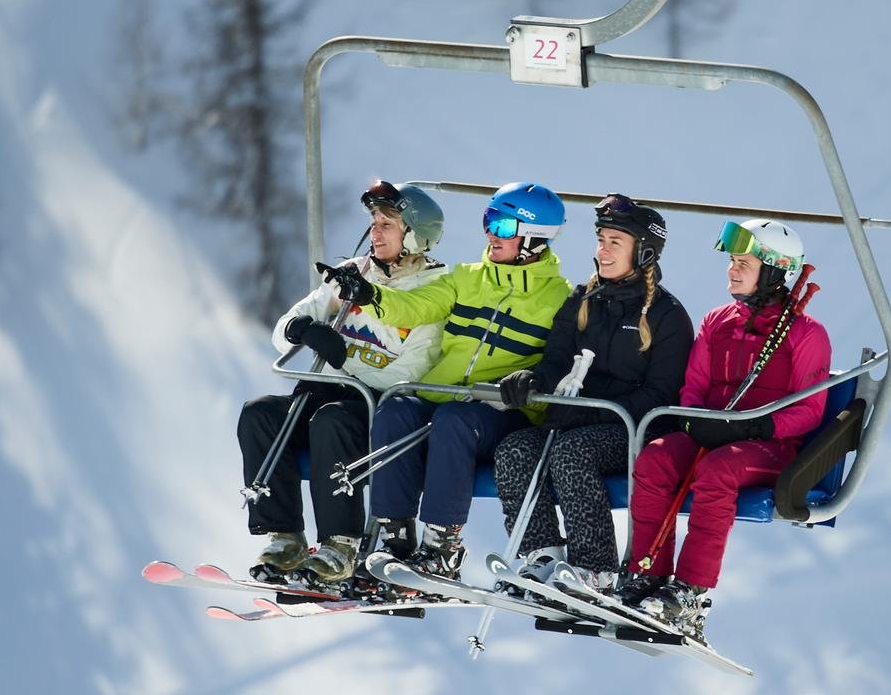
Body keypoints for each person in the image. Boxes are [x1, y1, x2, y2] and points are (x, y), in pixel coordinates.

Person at [324, 181, 571, 582]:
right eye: (489, 221)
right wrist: (370, 295)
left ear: (534, 240)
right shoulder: (466, 278)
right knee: (396, 409)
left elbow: (562, 359)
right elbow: (415, 306)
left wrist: (534, 379)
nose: (492, 233)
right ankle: (395, 539)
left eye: (505, 227)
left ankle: (442, 547)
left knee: (455, 420)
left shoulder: (560, 298)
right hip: (443, 395)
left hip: (501, 409)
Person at [622, 217, 830, 640]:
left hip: (770, 447)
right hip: (712, 435)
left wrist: (753, 428)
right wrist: (695, 420)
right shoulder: (717, 320)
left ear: (774, 273)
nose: (732, 270)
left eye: (744, 263)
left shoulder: (806, 334)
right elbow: (694, 386)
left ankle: (690, 592)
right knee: (657, 457)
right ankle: (646, 576)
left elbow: (808, 410)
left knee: (719, 470)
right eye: (732, 261)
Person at [237, 180, 447, 587]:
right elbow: (282, 331)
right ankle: (285, 537)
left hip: (374, 406)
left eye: (388, 222)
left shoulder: (433, 292)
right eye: (374, 220)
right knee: (259, 415)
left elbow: (408, 374)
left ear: (416, 235)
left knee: (330, 420)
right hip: (323, 393)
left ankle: (340, 545)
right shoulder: (352, 275)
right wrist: (302, 329)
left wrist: (343, 356)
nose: (376, 230)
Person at [489, 193, 691, 598]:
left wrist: (592, 415)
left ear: (644, 252)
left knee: (572, 452)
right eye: (601, 239)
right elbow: (556, 363)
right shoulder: (581, 300)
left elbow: (661, 395)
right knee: (514, 449)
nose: (603, 250)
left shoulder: (667, 316)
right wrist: (532, 381)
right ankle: (540, 554)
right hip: (576, 421)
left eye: (615, 242)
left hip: (635, 431)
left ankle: (594, 568)